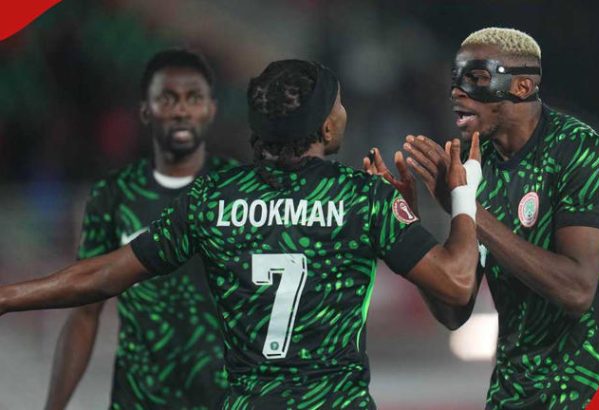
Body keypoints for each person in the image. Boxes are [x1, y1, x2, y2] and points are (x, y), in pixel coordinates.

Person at [1, 59, 481, 409]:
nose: (344, 112)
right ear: (322, 125)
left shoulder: (211, 199)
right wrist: (462, 194)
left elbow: (104, 275)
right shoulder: (362, 197)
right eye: (338, 104)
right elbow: (458, 287)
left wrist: (7, 296)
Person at [403, 27, 599, 409]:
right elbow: (454, 310)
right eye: (455, 78)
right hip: (512, 393)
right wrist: (407, 230)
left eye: (476, 77)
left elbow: (577, 291)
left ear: (521, 86)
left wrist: (466, 206)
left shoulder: (577, 149)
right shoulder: (473, 164)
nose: (457, 91)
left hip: (592, 389)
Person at [44, 49, 236, 410]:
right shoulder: (114, 194)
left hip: (225, 398)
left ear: (211, 108)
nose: (181, 110)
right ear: (146, 110)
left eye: (194, 98)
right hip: (138, 398)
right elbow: (85, 312)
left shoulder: (239, 189)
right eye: (168, 98)